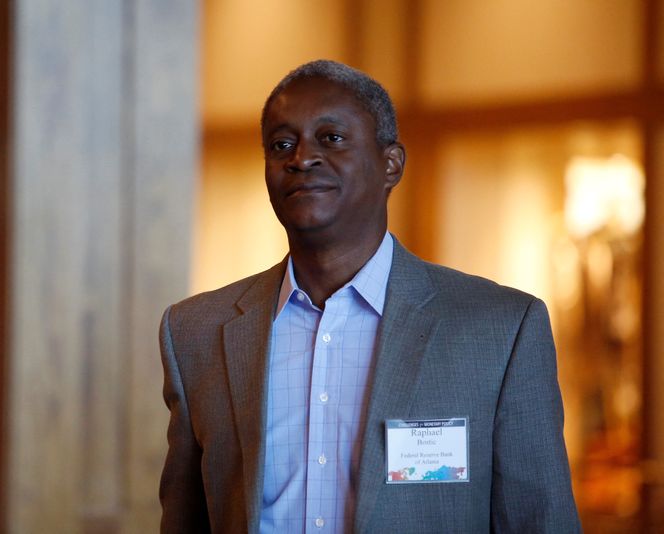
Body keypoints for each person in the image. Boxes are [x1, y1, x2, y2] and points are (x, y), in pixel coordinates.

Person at [159, 59, 581, 533]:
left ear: (391, 164)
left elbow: (539, 523)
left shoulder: (501, 330)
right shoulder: (195, 333)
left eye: (331, 138)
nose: (301, 157)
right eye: (282, 144)